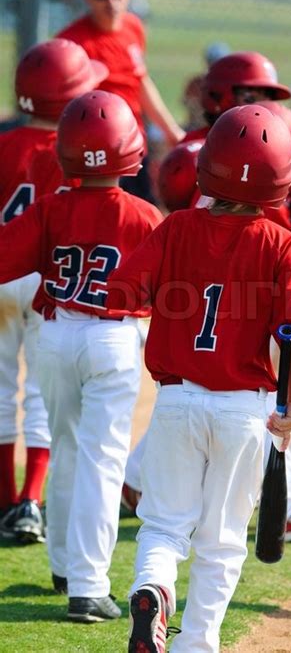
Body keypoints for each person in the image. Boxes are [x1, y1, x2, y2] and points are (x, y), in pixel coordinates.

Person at [105, 104, 291, 652]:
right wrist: (290, 410)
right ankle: (195, 644)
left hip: (175, 403)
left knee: (163, 526)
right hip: (244, 411)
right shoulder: (280, 242)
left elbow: (123, 292)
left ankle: (152, 588)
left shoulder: (175, 226)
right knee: (221, 544)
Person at [126, 52, 291, 541]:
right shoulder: (217, 152)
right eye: (251, 95)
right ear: (222, 97)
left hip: (212, 298)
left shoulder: (220, 147)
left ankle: (138, 480)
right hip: (244, 287)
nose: (261, 105)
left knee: (206, 396)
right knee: (255, 398)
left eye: (266, 97)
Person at [0, 90, 163, 621]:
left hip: (55, 335)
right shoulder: (144, 215)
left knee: (69, 448)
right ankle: (88, 587)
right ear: (129, 150)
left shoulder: (52, 207)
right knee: (101, 459)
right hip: (111, 341)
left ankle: (67, 566)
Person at [0, 38, 108, 543]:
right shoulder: (73, 153)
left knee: (2, 388)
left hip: (2, 276)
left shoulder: (3, 144)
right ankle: (31, 500)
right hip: (49, 279)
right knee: (43, 395)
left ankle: (5, 501)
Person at [57, 0, 185, 203]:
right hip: (97, 153)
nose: (111, 2)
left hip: (135, 143)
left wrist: (171, 131)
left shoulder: (133, 27)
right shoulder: (72, 42)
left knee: (141, 215)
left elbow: (141, 81)